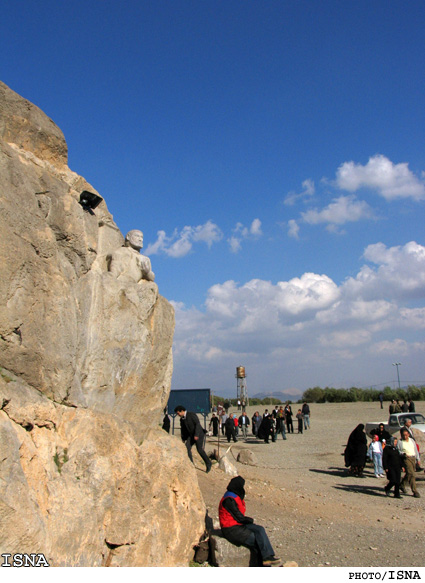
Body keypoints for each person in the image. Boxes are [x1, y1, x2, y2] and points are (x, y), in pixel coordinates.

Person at [218, 476, 281, 567]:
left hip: (238, 525)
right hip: (231, 529)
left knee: (260, 529)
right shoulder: (229, 499)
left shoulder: (233, 495)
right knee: (257, 541)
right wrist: (249, 520)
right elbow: (239, 517)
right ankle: (263, 565)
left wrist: (248, 521)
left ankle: (268, 557)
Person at [174, 405, 212, 473]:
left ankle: (208, 463)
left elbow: (197, 424)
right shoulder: (182, 419)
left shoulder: (191, 415)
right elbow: (183, 429)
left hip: (199, 434)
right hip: (191, 436)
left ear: (182, 411)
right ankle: (191, 464)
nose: (178, 415)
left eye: (178, 413)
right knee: (187, 448)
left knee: (199, 450)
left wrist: (196, 434)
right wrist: (183, 438)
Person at [397, 428, 420, 498]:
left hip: (413, 458)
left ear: (408, 435)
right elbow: (398, 451)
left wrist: (418, 459)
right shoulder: (400, 442)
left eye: (406, 435)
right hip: (406, 458)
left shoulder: (412, 440)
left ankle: (402, 485)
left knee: (409, 473)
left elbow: (415, 450)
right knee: (412, 474)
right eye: (403, 435)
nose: (405, 436)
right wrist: (403, 454)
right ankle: (415, 491)